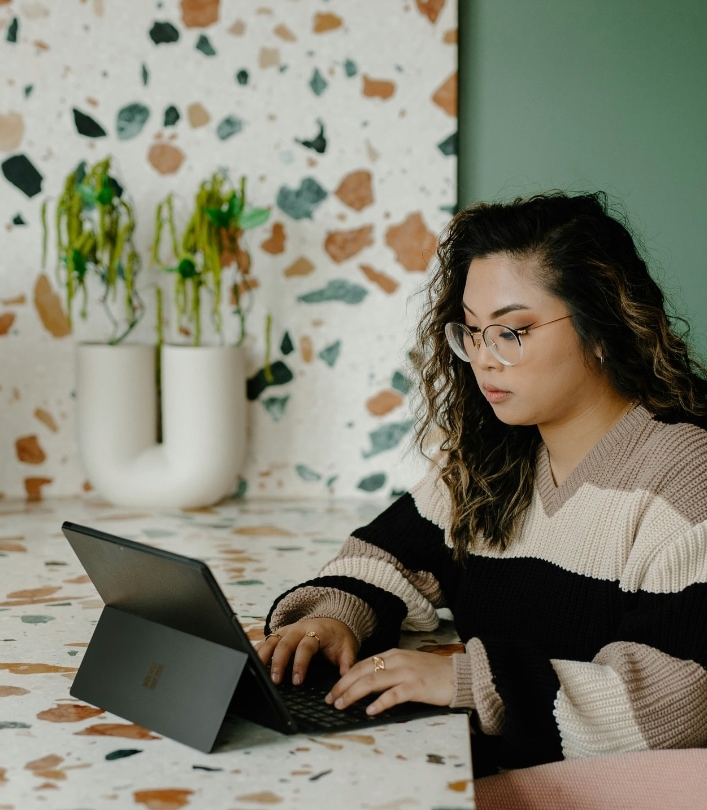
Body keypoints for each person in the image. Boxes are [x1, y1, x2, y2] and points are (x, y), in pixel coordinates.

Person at [259, 191, 707, 772]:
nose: (483, 359)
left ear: (603, 327)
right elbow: (386, 557)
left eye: (511, 331)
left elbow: (677, 703)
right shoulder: (494, 457)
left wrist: (463, 680)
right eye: (471, 331)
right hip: (495, 776)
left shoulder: (685, 480)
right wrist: (334, 616)